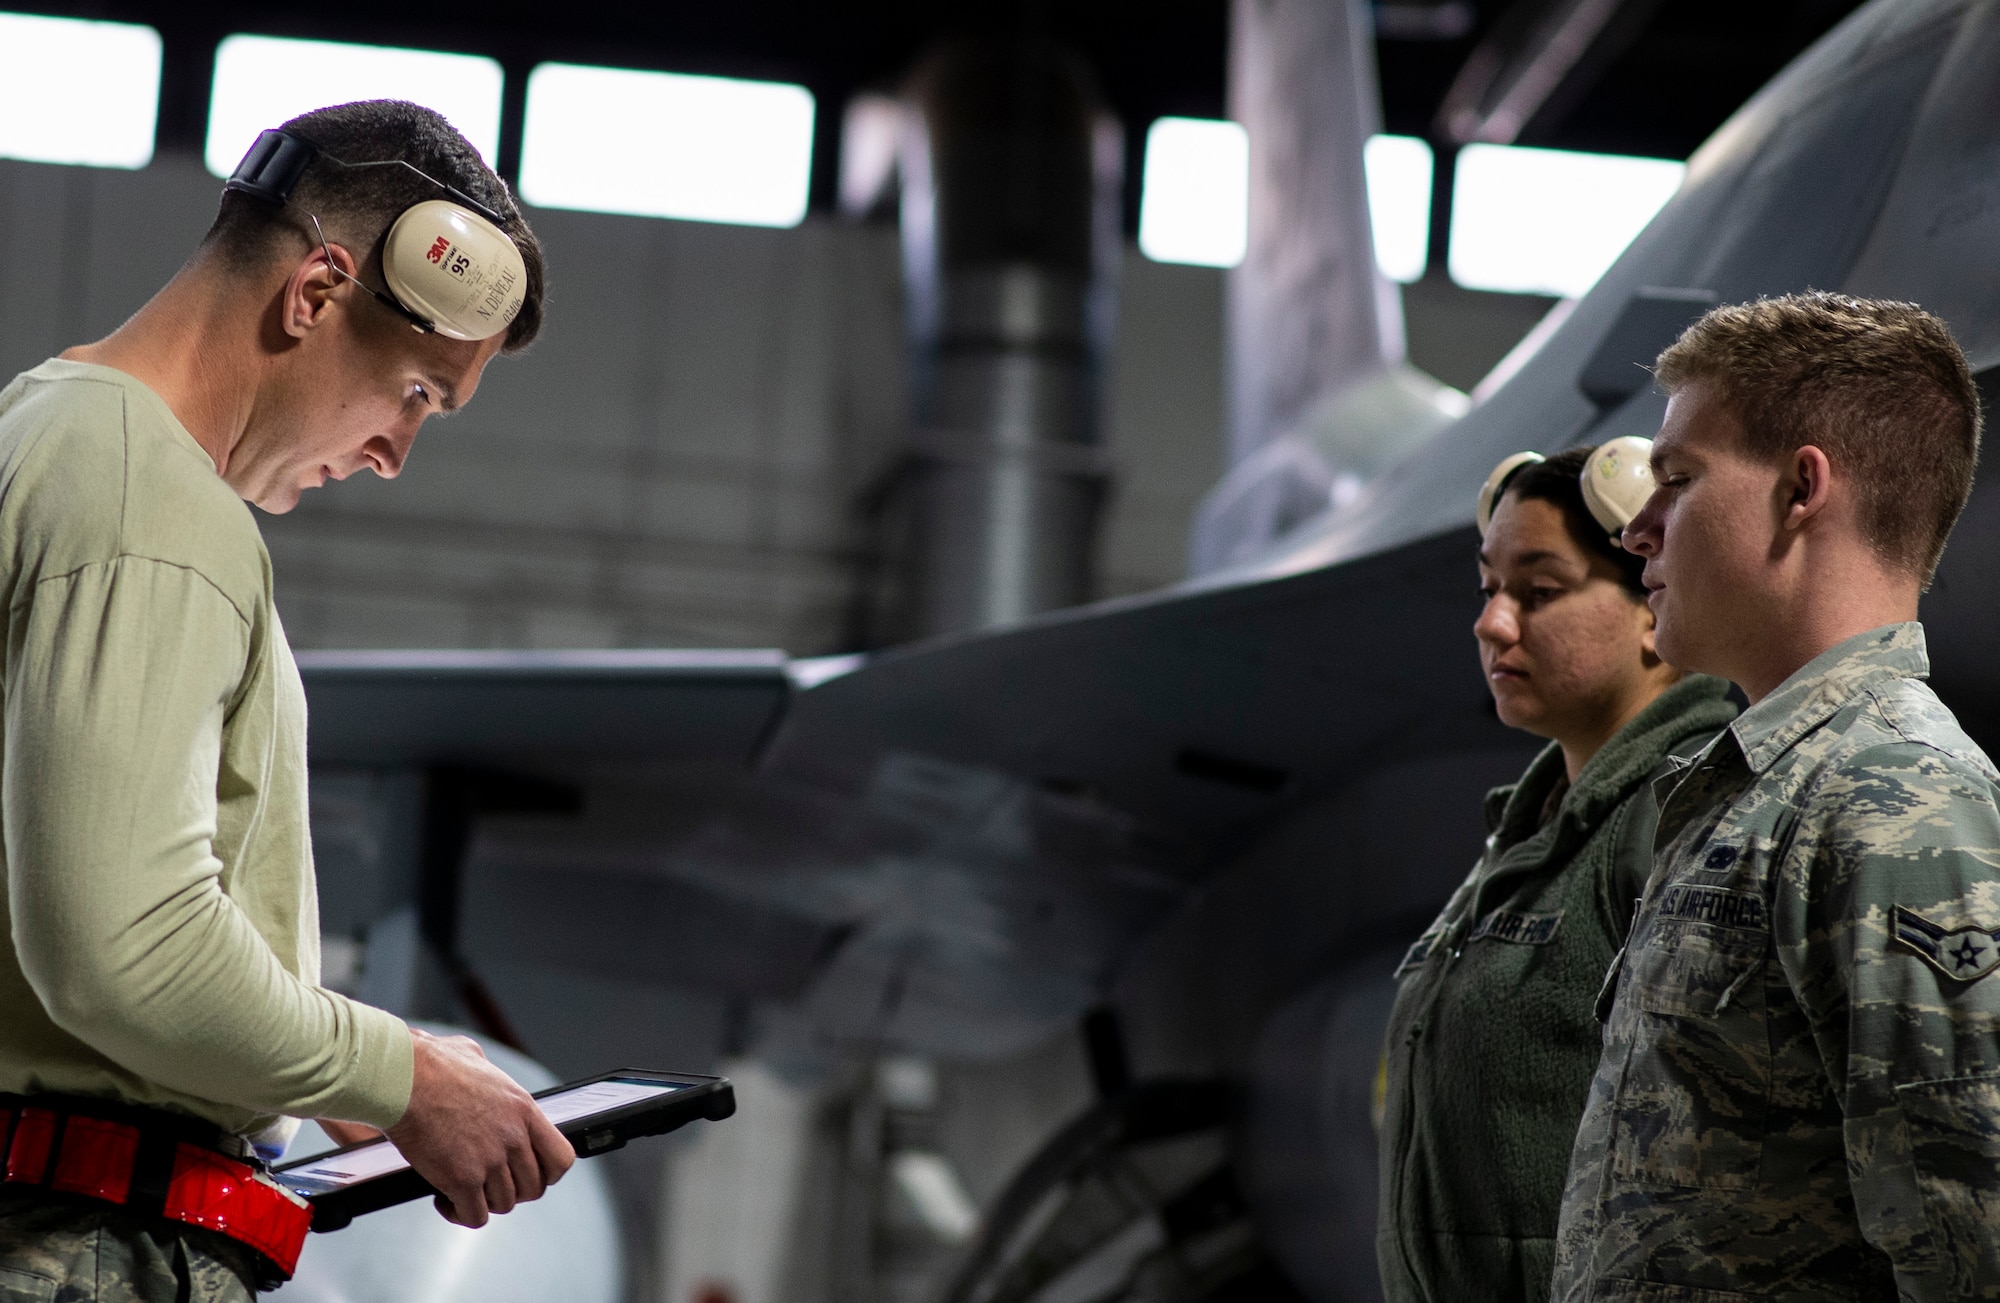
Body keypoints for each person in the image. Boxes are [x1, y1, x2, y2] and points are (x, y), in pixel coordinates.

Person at [0, 101, 573, 1301]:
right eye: (416, 391)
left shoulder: (42, 429)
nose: (391, 453)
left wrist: (318, 1074)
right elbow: (124, 952)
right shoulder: (149, 504)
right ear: (315, 292)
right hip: (71, 1242)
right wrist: (401, 1075)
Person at [1552, 292, 2000, 1300]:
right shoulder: (1764, 788)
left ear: (1801, 489)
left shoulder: (1895, 800)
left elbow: (1974, 1246)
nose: (1636, 529)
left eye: (1676, 477)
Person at [1376, 445, 1739, 1303]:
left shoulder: (1681, 818)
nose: (1493, 623)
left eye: (1538, 592)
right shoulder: (1538, 831)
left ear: (1655, 600)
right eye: (1487, 589)